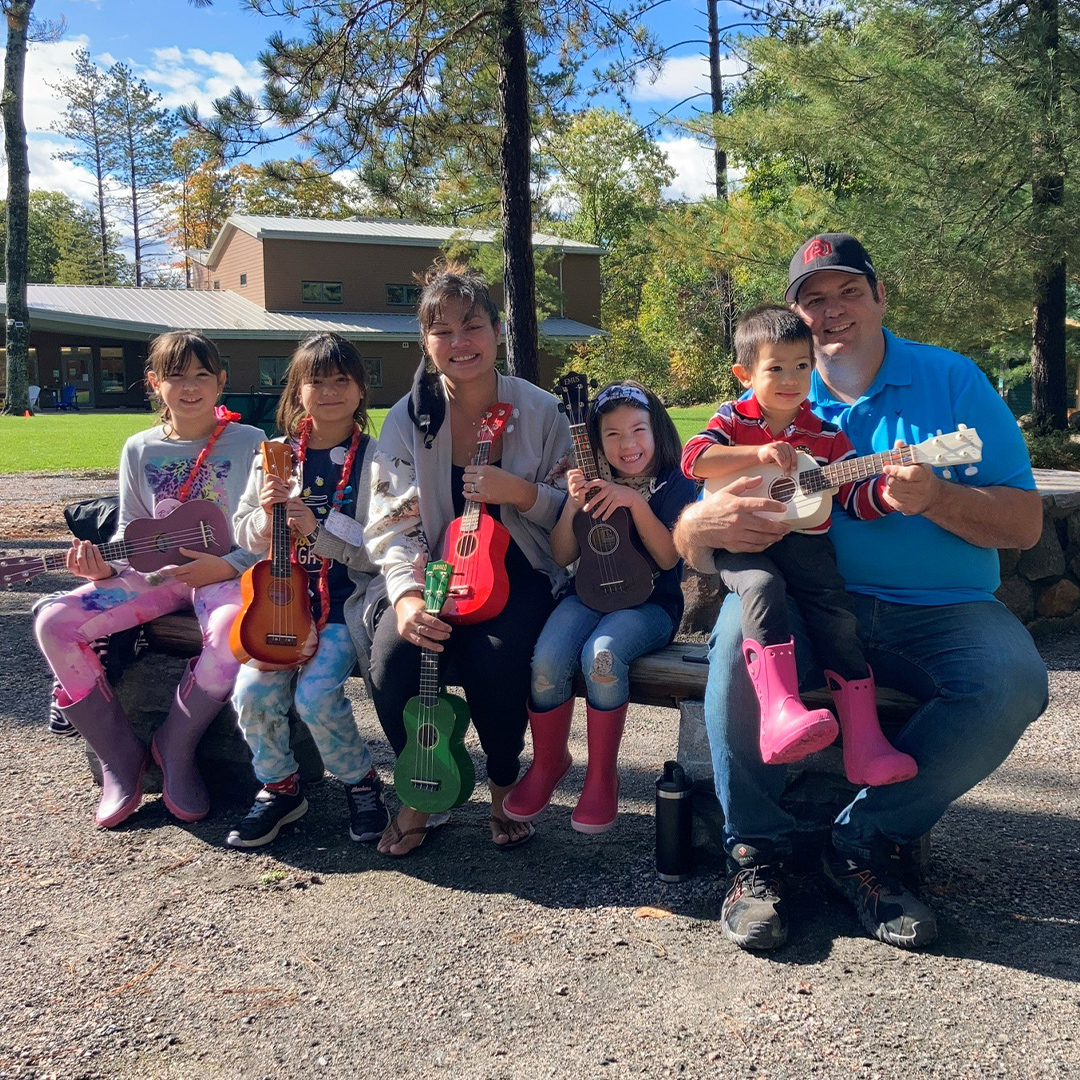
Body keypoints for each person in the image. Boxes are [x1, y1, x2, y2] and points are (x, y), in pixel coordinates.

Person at [673, 233, 1048, 951]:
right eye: (813, 298)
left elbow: (1026, 524)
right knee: (738, 650)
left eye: (849, 290)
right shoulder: (772, 384)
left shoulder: (952, 383)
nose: (832, 309)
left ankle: (866, 843)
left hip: (937, 610)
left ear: (880, 297)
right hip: (802, 602)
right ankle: (755, 857)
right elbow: (688, 533)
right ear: (792, 319)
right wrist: (700, 522)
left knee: (1012, 680)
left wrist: (935, 493)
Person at [365, 261, 571, 856]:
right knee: (393, 657)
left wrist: (522, 493)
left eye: (473, 325)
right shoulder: (411, 416)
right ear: (425, 342)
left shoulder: (540, 411)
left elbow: (571, 510)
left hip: (518, 567)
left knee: (497, 657)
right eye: (442, 331)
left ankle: (502, 783)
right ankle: (422, 787)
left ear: (498, 329)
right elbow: (393, 519)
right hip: (432, 569)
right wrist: (404, 596)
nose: (460, 342)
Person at [34, 330, 265, 828]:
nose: (191, 387)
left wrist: (226, 566)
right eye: (176, 376)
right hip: (157, 576)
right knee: (54, 621)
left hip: (225, 576)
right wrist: (107, 566)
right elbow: (131, 531)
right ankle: (120, 756)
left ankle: (175, 747)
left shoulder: (252, 443)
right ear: (154, 383)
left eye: (203, 374)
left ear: (221, 381)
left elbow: (262, 533)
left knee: (231, 635)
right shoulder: (139, 448)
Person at [681, 306, 916, 787]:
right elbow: (694, 459)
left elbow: (854, 497)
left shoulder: (827, 436)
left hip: (805, 545)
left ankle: (866, 746)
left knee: (836, 613)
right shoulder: (732, 418)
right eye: (776, 368)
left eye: (802, 366)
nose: (791, 378)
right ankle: (778, 715)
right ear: (745, 374)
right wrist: (757, 453)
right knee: (763, 588)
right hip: (742, 542)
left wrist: (889, 494)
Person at [502, 380, 696, 834]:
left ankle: (601, 774)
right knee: (547, 659)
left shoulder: (674, 483)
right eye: (612, 435)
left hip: (651, 604)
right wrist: (573, 503)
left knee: (603, 656)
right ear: (595, 440)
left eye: (638, 430)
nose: (627, 445)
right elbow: (562, 554)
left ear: (657, 429)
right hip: (587, 595)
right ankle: (550, 762)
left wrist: (631, 500)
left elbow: (669, 558)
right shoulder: (590, 479)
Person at [227, 333, 388, 849]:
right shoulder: (272, 456)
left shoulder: (378, 460)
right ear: (297, 391)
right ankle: (280, 787)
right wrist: (267, 514)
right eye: (316, 381)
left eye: (342, 380)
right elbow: (242, 531)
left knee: (316, 695)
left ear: (361, 389)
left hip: (343, 605)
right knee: (250, 692)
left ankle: (360, 783)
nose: (330, 391)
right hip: (280, 607)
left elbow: (381, 549)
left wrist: (317, 532)